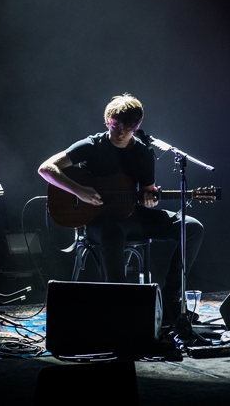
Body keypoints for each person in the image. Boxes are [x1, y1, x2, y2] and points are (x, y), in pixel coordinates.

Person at [38, 93, 203, 322]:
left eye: (127, 128)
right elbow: (46, 169)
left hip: (133, 216)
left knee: (192, 227)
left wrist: (150, 199)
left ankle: (171, 300)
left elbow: (148, 191)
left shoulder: (143, 153)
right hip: (99, 222)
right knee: (112, 231)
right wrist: (79, 190)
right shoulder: (92, 145)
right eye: (115, 126)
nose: (120, 133)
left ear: (137, 126)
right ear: (107, 120)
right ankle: (120, 307)